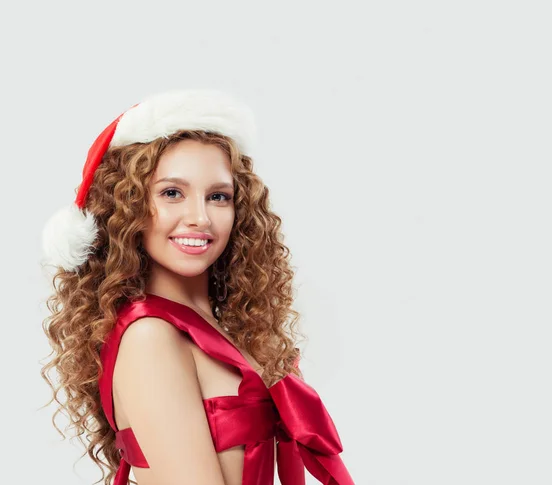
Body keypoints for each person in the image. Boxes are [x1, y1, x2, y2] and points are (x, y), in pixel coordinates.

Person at [40, 89, 355, 485]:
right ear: (127, 207)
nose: (199, 217)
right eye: (172, 193)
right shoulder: (150, 338)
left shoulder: (227, 330)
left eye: (218, 197)